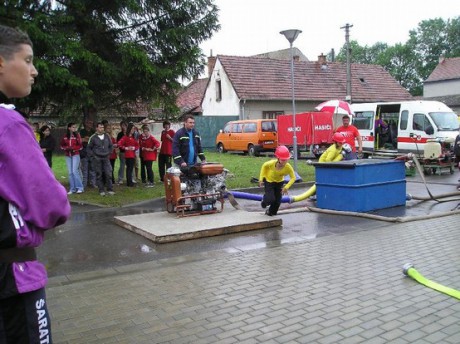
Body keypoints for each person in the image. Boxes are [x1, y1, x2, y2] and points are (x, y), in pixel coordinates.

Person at [0, 24, 71, 343]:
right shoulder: (9, 124)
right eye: (27, 60)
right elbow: (50, 205)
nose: (34, 71)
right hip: (12, 279)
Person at [258, 145, 296, 216]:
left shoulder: (288, 167)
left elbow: (293, 178)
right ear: (278, 158)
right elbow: (264, 166)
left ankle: (270, 212)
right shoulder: (271, 163)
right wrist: (261, 179)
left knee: (278, 202)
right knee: (271, 199)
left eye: (286, 160)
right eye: (282, 160)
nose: (284, 162)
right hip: (269, 181)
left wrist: (286, 187)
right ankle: (264, 201)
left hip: (279, 183)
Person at [87, 122, 115, 196]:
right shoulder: (93, 137)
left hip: (106, 157)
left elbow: (111, 146)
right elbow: (89, 148)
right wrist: (93, 156)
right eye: (100, 127)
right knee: (99, 174)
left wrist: (109, 153)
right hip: (97, 158)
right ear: (96, 128)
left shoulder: (107, 136)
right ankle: (101, 190)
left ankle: (110, 189)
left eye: (102, 127)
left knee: (108, 173)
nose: (101, 129)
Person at [60, 122, 84, 194]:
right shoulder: (65, 136)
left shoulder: (77, 135)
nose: (74, 128)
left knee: (74, 171)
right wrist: (66, 148)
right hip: (68, 155)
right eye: (73, 127)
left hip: (75, 155)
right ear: (69, 128)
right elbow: (61, 145)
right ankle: (72, 189)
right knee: (70, 172)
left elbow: (80, 146)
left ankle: (80, 187)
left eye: (75, 127)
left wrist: (73, 148)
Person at [117, 122, 139, 187]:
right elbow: (119, 144)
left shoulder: (132, 137)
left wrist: (134, 148)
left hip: (132, 155)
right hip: (128, 155)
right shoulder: (125, 137)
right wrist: (125, 148)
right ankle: (129, 182)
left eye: (134, 129)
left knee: (131, 168)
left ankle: (130, 181)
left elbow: (137, 145)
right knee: (129, 168)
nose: (133, 130)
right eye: (132, 129)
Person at [79, 119, 96, 188]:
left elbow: (94, 141)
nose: (90, 124)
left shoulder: (93, 132)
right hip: (84, 152)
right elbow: (81, 140)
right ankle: (84, 184)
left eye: (91, 123)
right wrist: (85, 139)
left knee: (93, 168)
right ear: (85, 123)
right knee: (84, 169)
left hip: (92, 152)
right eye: (89, 123)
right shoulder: (82, 131)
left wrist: (87, 139)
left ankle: (93, 183)